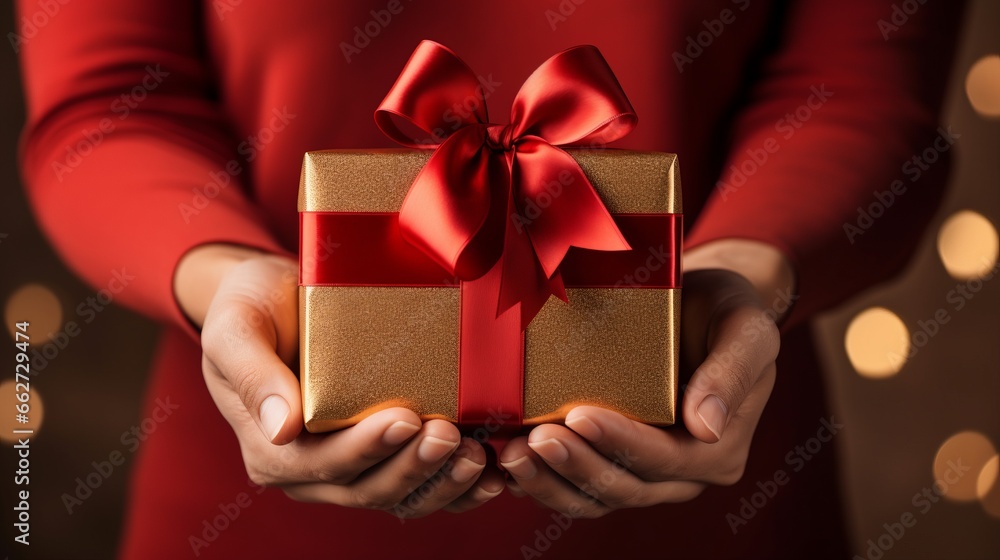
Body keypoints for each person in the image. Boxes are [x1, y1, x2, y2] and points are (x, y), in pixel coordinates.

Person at [17, 1, 963, 558]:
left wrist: (737, 280)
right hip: (253, 485)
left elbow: (859, 83)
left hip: (712, 462)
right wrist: (226, 279)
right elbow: (109, 99)